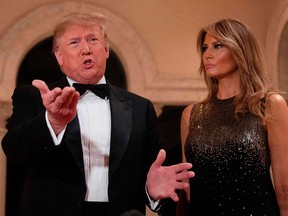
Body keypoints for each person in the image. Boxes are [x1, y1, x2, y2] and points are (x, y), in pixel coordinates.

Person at [1, 12, 194, 216]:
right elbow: (14, 151)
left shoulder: (141, 107)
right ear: (59, 56)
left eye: (93, 39)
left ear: (106, 49)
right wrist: (52, 122)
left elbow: (154, 173)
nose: (86, 49)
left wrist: (151, 192)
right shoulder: (34, 97)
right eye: (74, 42)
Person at [177, 19, 288, 215]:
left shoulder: (268, 105)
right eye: (205, 48)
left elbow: (284, 188)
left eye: (217, 45)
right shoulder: (191, 115)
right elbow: (187, 190)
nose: (207, 55)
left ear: (240, 50)